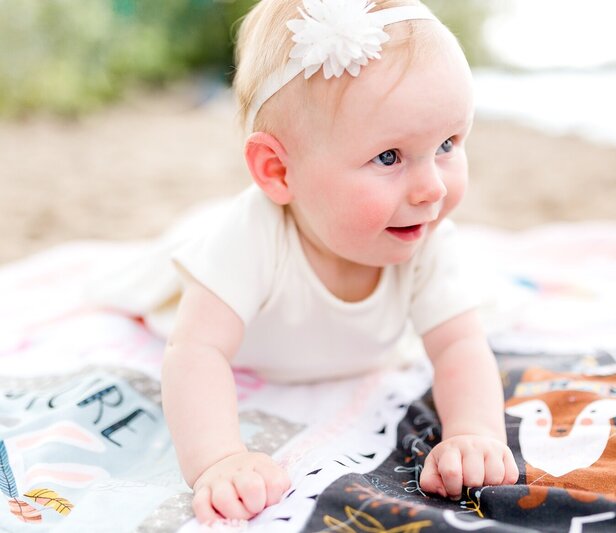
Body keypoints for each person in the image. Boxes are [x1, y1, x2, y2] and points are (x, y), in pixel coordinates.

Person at [160, 0, 519, 524]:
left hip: (334, 346)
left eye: (448, 143)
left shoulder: (425, 239)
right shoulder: (252, 233)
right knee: (150, 279)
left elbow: (460, 345)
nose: (432, 188)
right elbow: (195, 349)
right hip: (212, 302)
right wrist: (219, 458)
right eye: (389, 157)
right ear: (279, 171)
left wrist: (473, 434)